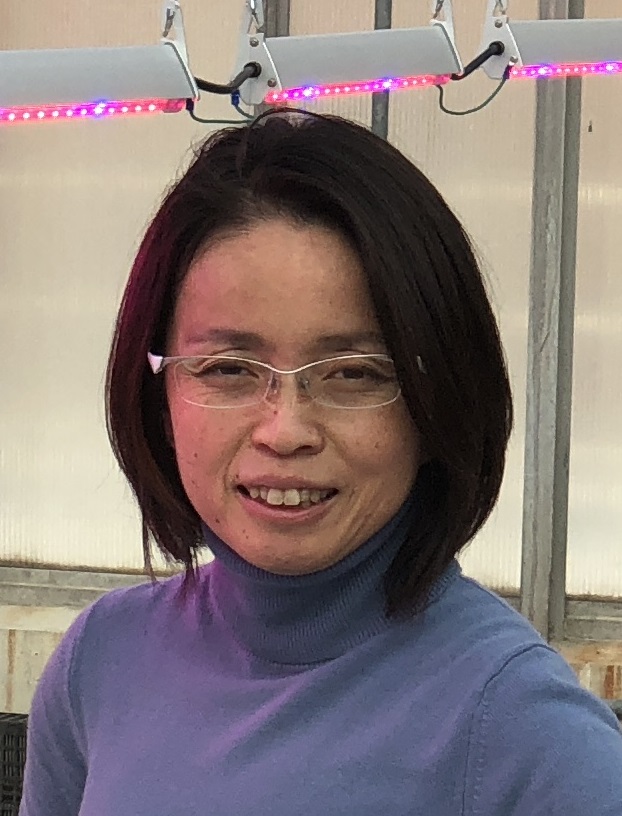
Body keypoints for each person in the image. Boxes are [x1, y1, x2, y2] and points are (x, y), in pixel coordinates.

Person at [20, 108, 622, 816]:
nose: (286, 430)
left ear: (439, 403)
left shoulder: (525, 733)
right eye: (228, 368)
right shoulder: (101, 662)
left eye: (354, 374)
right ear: (158, 396)